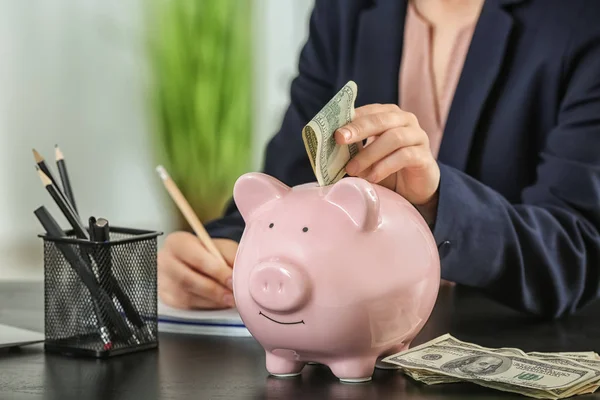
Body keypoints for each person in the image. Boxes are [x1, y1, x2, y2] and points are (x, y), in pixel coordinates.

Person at [157, 0, 600, 318]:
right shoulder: (344, 11)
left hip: (490, 335)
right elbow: (285, 182)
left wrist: (435, 202)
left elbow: (575, 252)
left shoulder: (581, 22)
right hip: (338, 335)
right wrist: (221, 253)